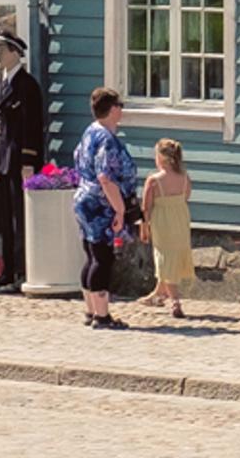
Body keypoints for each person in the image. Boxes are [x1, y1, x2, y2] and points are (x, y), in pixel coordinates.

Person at [0, 32, 46, 292]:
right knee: (6, 220)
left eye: (1, 49)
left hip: (20, 160)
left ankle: (22, 270)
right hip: (3, 159)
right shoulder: (0, 84)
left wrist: (28, 161)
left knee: (21, 219)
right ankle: (7, 270)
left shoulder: (27, 85)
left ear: (15, 52)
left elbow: (32, 125)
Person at [70, 88, 140, 329]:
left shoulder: (90, 131)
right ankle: (101, 315)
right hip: (101, 203)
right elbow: (105, 177)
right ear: (112, 109)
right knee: (102, 257)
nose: (122, 109)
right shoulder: (107, 140)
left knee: (91, 254)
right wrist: (120, 211)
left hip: (84, 198)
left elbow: (78, 157)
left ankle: (91, 310)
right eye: (120, 105)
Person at [144, 137, 200, 320]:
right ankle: (158, 293)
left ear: (161, 158)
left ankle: (175, 300)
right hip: (180, 219)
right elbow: (186, 196)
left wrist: (145, 226)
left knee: (164, 256)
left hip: (162, 220)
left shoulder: (154, 180)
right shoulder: (185, 177)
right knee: (173, 255)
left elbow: (146, 206)